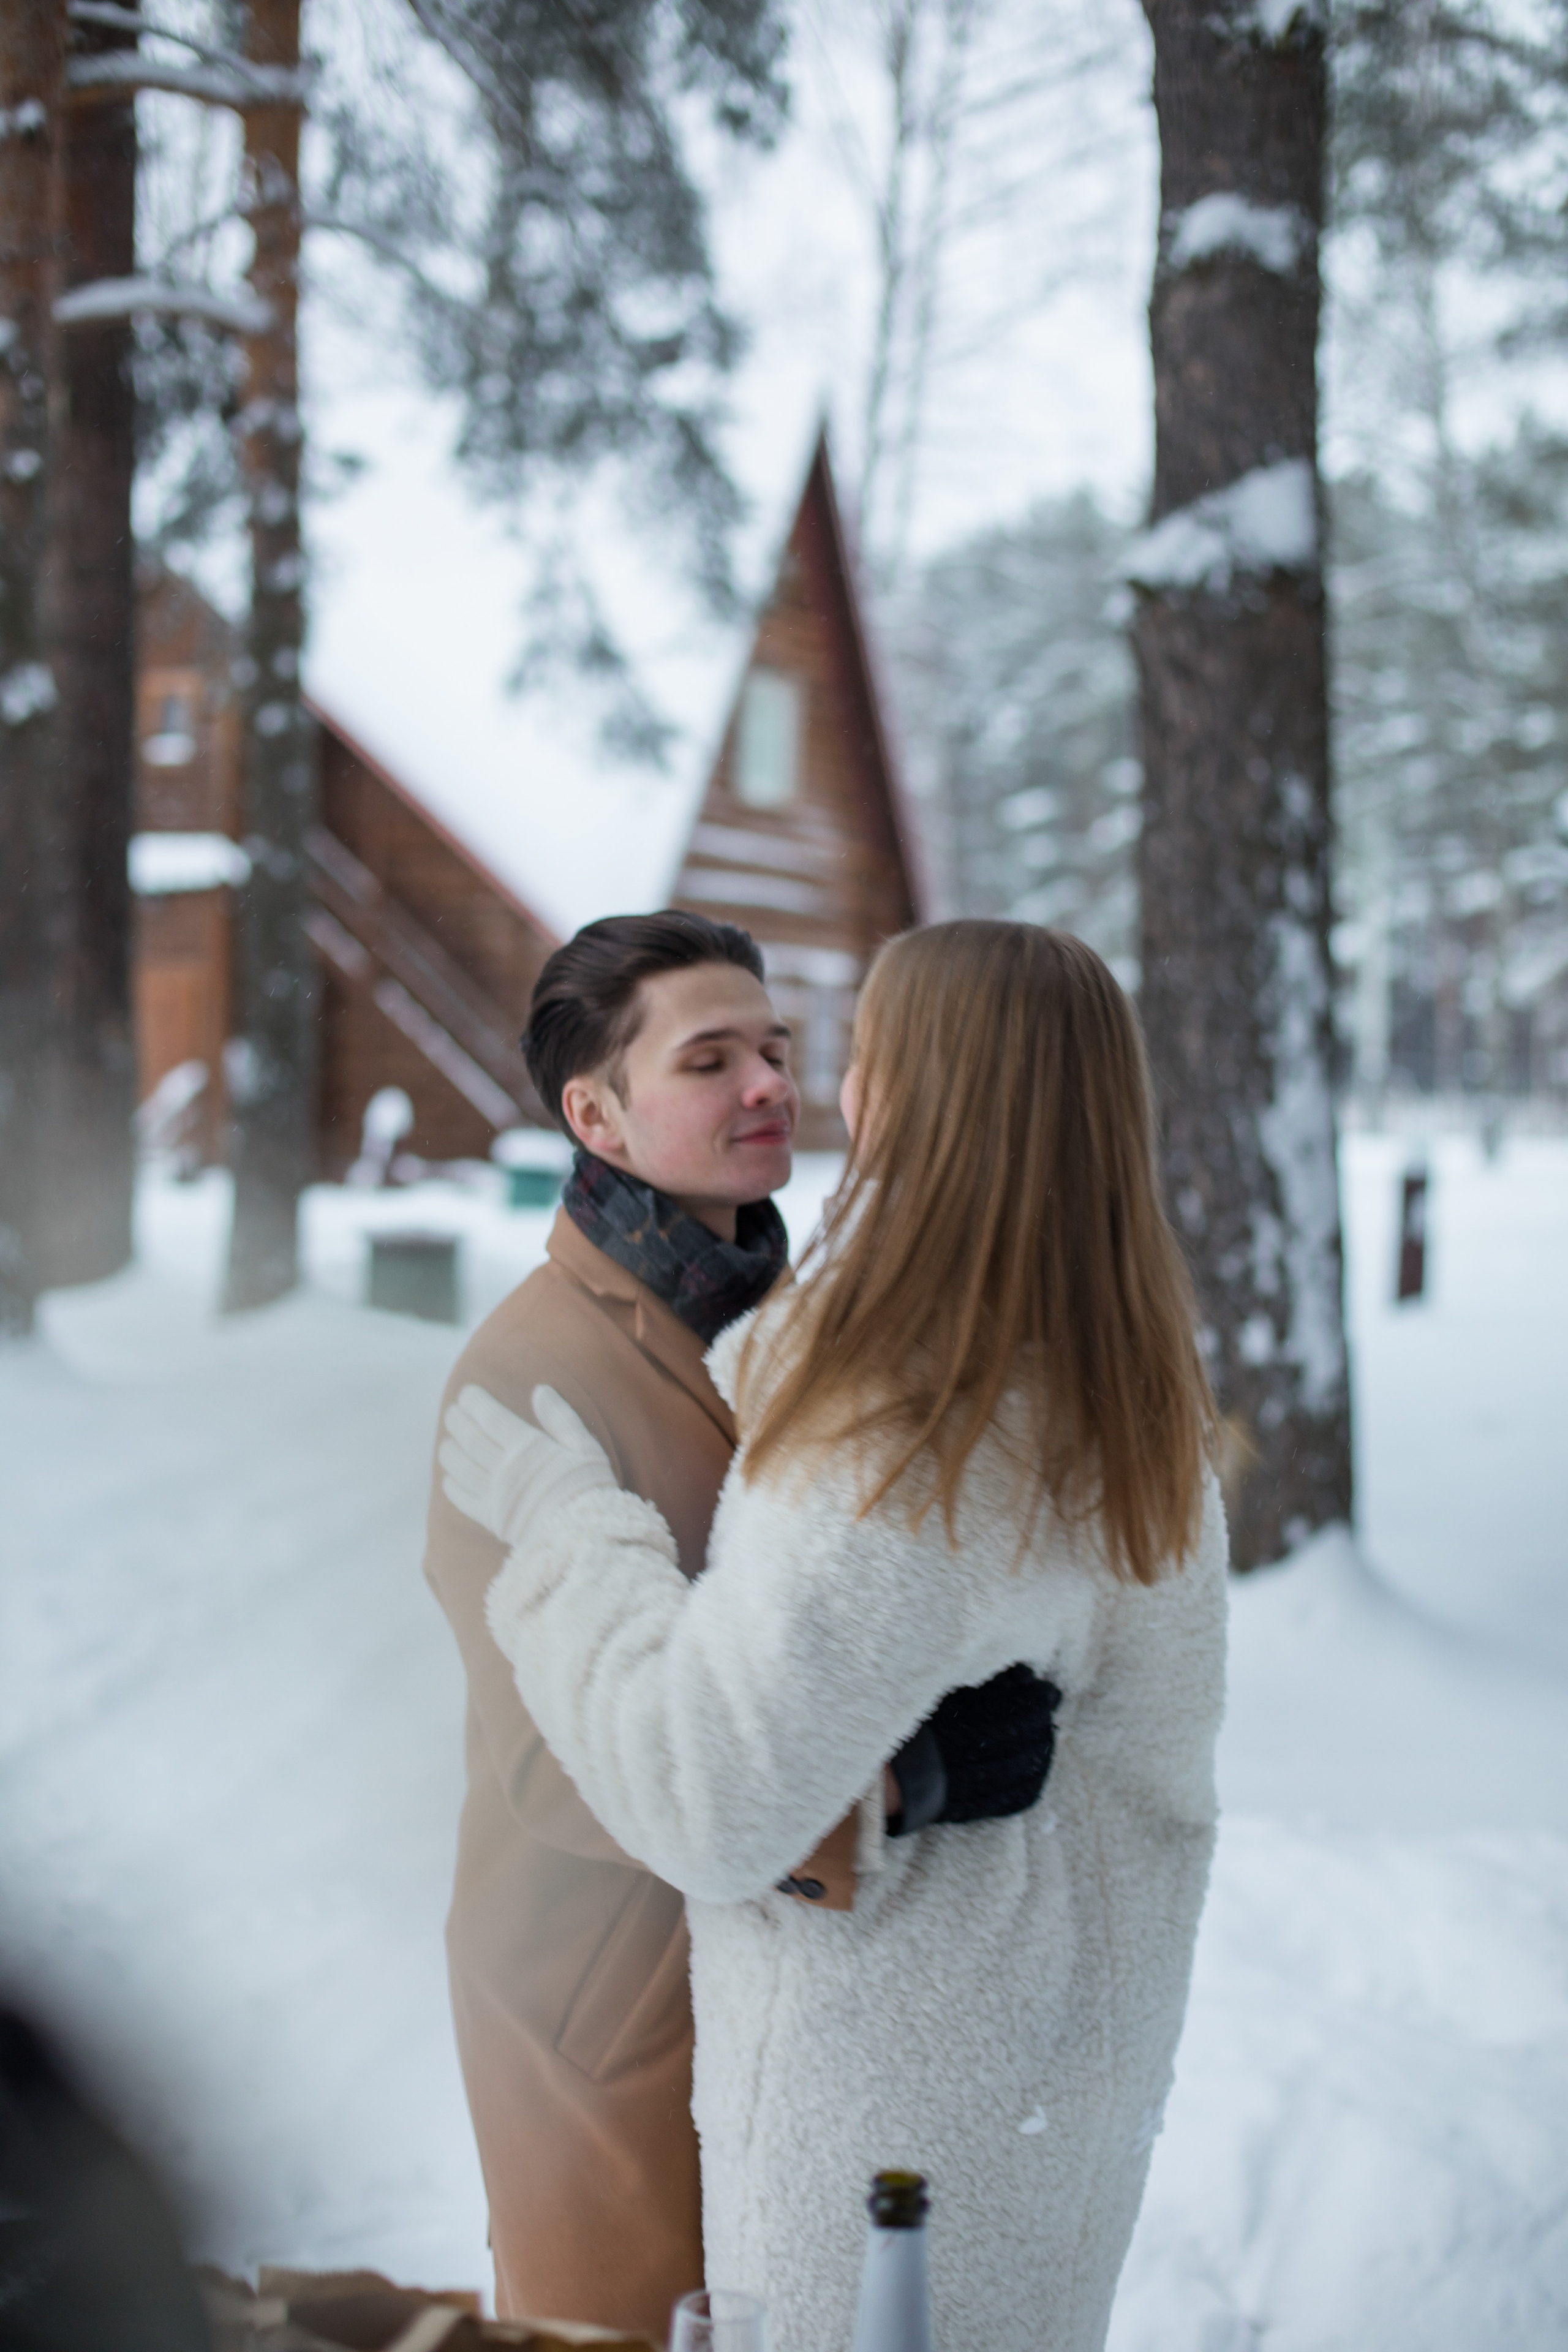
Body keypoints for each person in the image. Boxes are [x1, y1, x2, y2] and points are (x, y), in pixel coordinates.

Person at [439, 919, 1229, 2352]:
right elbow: (545, 1765)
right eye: (709, 1060)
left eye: (788, 1048)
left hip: (864, 2030)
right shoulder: (530, 1375)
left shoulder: (875, 1338)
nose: (774, 1084)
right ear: (595, 1116)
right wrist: (888, 1784)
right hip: (618, 2007)